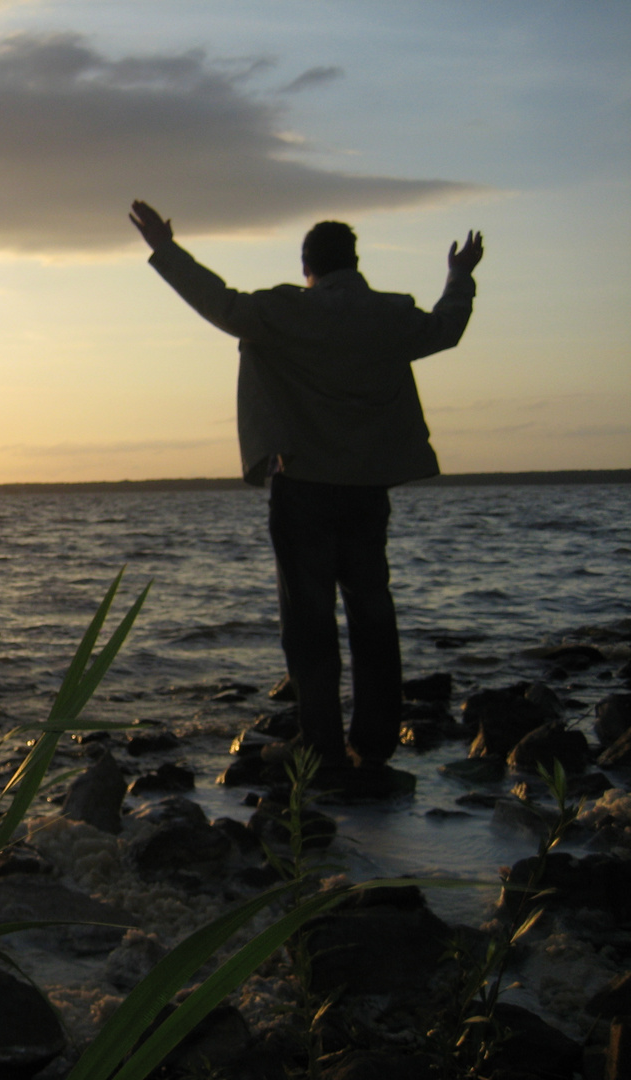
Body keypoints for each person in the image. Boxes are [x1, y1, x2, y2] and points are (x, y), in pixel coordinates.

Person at [129, 201, 484, 782]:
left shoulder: (284, 311)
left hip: (303, 489)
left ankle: (318, 744)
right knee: (372, 612)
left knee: (309, 622)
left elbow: (217, 301)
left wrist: (165, 247)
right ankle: (372, 744)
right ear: (354, 261)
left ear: (307, 267)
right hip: (368, 490)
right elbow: (447, 328)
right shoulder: (389, 314)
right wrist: (460, 275)